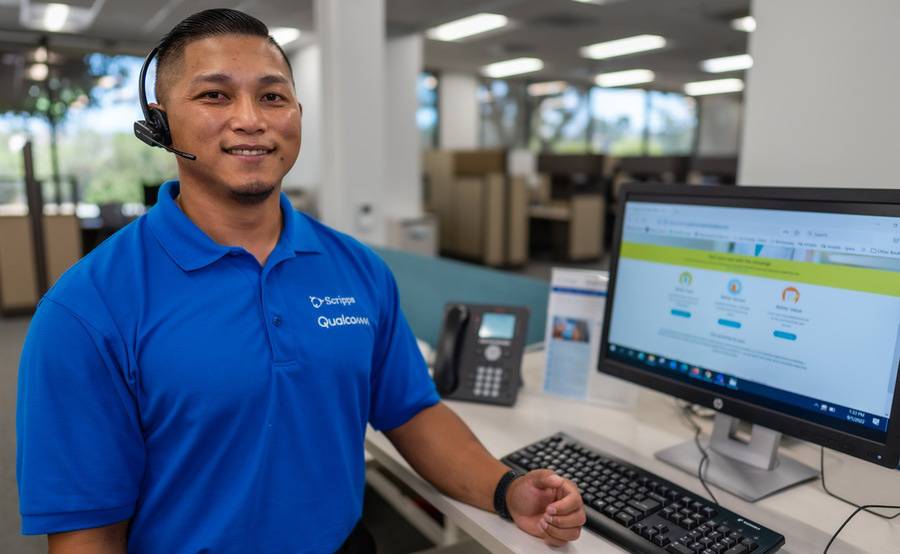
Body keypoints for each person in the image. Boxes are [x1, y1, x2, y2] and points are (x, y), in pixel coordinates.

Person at [16, 9, 585, 553]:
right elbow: (86, 530)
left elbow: (411, 411)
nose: (251, 119)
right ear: (161, 120)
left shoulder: (358, 269)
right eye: (215, 94)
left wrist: (507, 489)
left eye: (273, 96)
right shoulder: (87, 309)